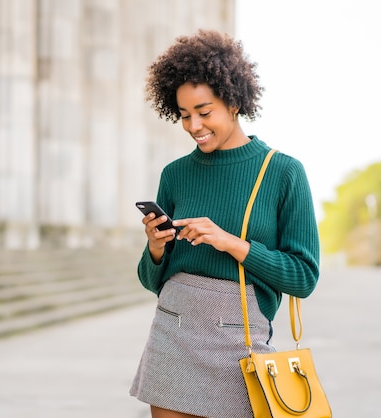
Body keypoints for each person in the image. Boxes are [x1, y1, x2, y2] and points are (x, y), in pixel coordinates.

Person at [129, 29, 320, 418]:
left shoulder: (283, 172)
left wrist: (230, 242)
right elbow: (152, 280)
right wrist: (156, 247)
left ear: (233, 102)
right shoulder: (176, 174)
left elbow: (304, 277)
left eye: (204, 112)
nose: (193, 125)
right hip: (172, 333)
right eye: (184, 116)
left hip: (241, 343)